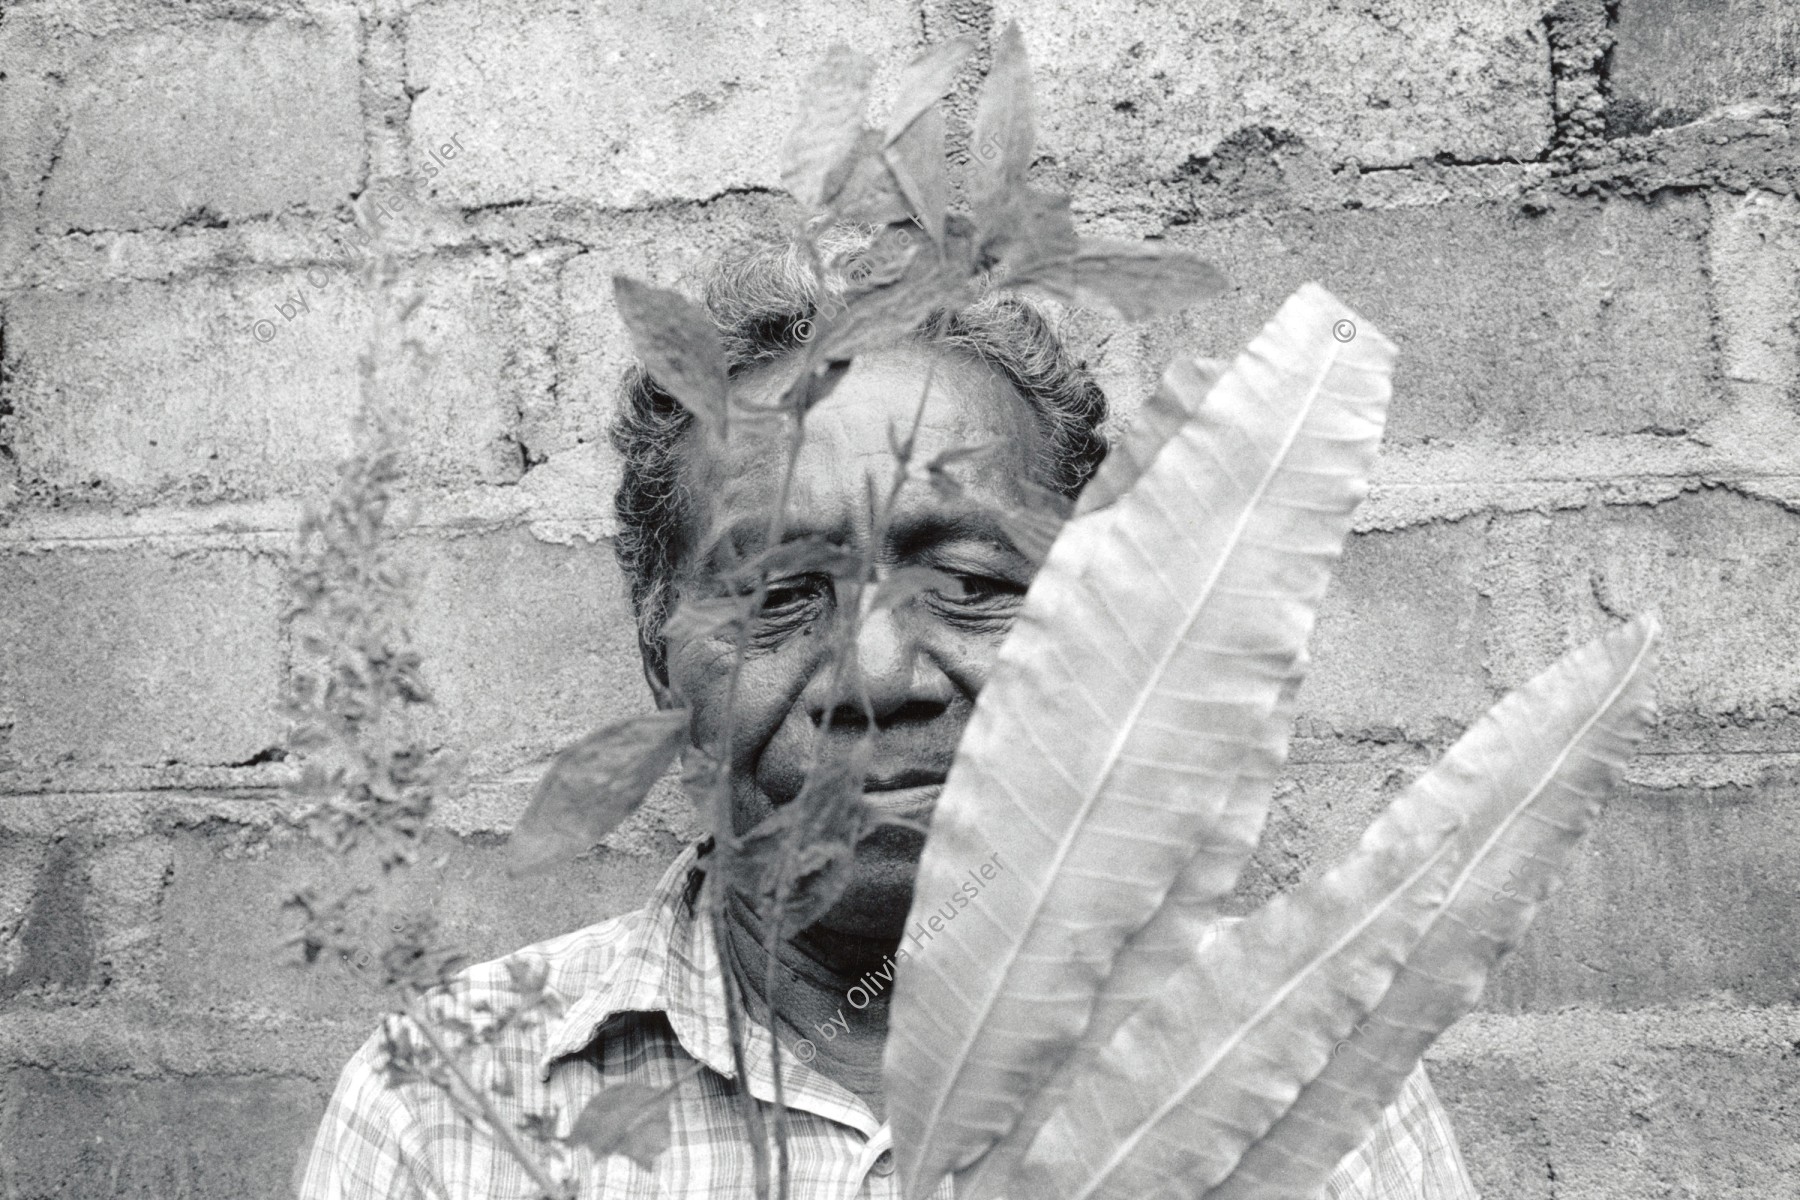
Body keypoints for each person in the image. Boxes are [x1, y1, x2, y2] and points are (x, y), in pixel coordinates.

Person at [300, 228, 1479, 1200]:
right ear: (662, 660)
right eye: (775, 594)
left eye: (969, 586)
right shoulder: (447, 1112)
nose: (875, 674)